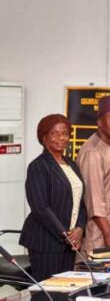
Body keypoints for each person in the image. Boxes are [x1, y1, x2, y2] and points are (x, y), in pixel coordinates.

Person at [20, 114, 87, 281]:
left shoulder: (72, 164)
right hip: (46, 242)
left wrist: (79, 229)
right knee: (48, 295)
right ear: (43, 137)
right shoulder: (38, 167)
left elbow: (80, 201)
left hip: (70, 242)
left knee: (65, 292)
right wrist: (65, 235)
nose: (61, 138)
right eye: (54, 133)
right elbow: (40, 208)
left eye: (65, 133)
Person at [76, 95, 110, 254]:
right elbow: (94, 201)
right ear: (99, 122)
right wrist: (108, 234)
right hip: (103, 237)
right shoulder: (93, 152)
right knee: (102, 279)